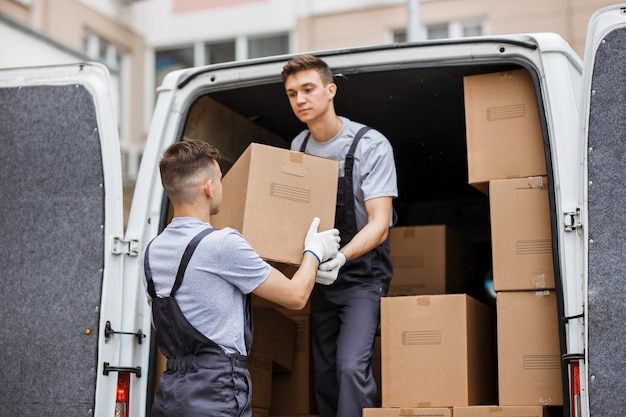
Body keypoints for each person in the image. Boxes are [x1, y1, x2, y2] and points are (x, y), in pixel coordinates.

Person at [141, 138, 341, 417]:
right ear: (209, 188)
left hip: (171, 394)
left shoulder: (151, 253)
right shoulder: (223, 244)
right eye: (220, 179)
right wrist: (314, 252)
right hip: (216, 391)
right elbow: (296, 296)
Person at [281, 55, 398, 417]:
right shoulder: (298, 146)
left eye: (308, 89)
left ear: (331, 91)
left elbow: (379, 223)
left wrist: (341, 257)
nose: (300, 99)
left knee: (350, 367)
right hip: (317, 279)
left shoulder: (370, 145)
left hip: (362, 277)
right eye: (291, 93)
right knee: (325, 374)